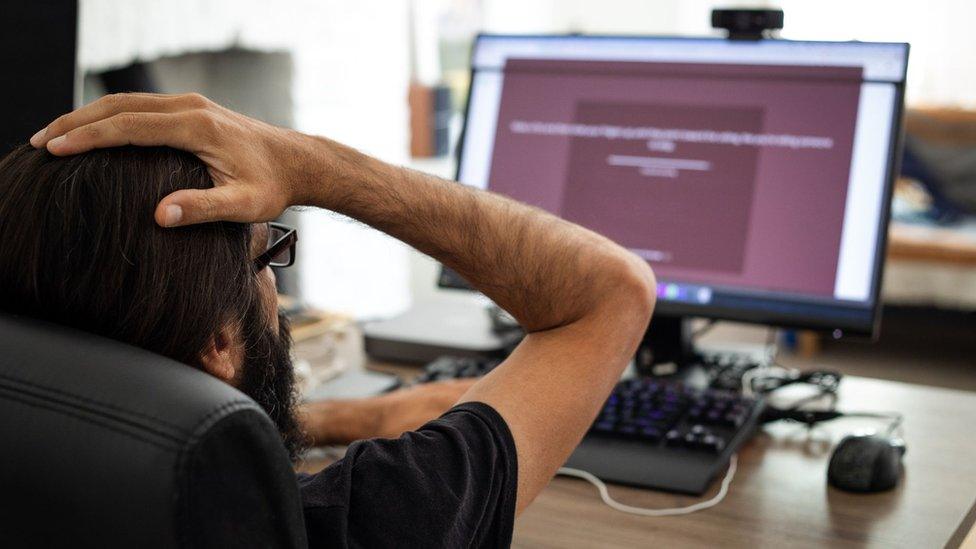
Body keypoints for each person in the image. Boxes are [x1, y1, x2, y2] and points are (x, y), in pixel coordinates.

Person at [13, 92, 656, 546]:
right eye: (268, 255)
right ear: (218, 340)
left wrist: (351, 418)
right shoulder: (366, 523)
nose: (278, 288)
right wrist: (309, 166)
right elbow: (611, 290)